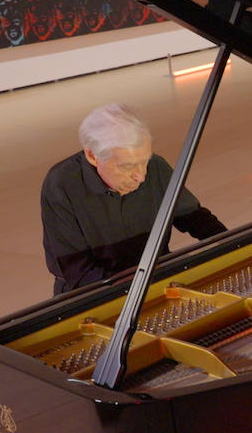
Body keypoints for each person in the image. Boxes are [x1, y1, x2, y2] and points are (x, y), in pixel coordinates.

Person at [41, 103, 226, 294]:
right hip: (94, 295)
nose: (141, 176)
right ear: (93, 156)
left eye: (144, 161)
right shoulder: (61, 184)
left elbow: (197, 219)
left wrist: (233, 248)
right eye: (127, 166)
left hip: (156, 281)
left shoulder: (156, 167)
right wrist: (136, 288)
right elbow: (78, 271)